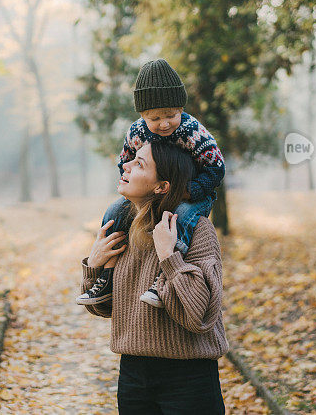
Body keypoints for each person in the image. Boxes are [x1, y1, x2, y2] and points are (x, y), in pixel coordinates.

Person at [80, 141, 229, 414]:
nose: (125, 165)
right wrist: (94, 265)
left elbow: (201, 316)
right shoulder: (125, 229)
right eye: (132, 160)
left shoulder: (195, 230)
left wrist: (169, 256)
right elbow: (101, 307)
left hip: (189, 377)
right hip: (134, 374)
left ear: (162, 186)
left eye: (139, 164)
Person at [76, 59, 225, 307]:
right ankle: (108, 275)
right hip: (156, 192)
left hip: (194, 192)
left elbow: (216, 168)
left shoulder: (193, 132)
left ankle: (164, 275)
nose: (164, 123)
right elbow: (124, 161)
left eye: (171, 115)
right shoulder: (137, 133)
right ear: (142, 114)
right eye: (155, 118)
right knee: (114, 211)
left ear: (181, 109)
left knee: (182, 215)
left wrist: (190, 191)